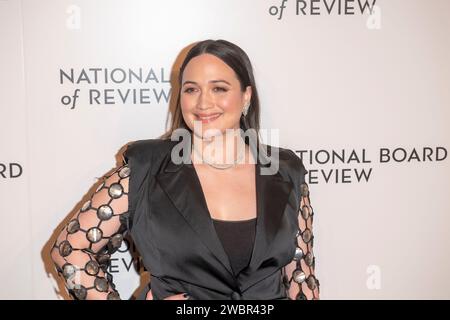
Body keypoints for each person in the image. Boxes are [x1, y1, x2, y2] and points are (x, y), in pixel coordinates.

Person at [50, 39, 320, 300]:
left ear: (246, 96)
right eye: (191, 89)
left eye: (219, 89)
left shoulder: (284, 171)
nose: (203, 103)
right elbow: (70, 250)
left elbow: (301, 274)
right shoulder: (147, 169)